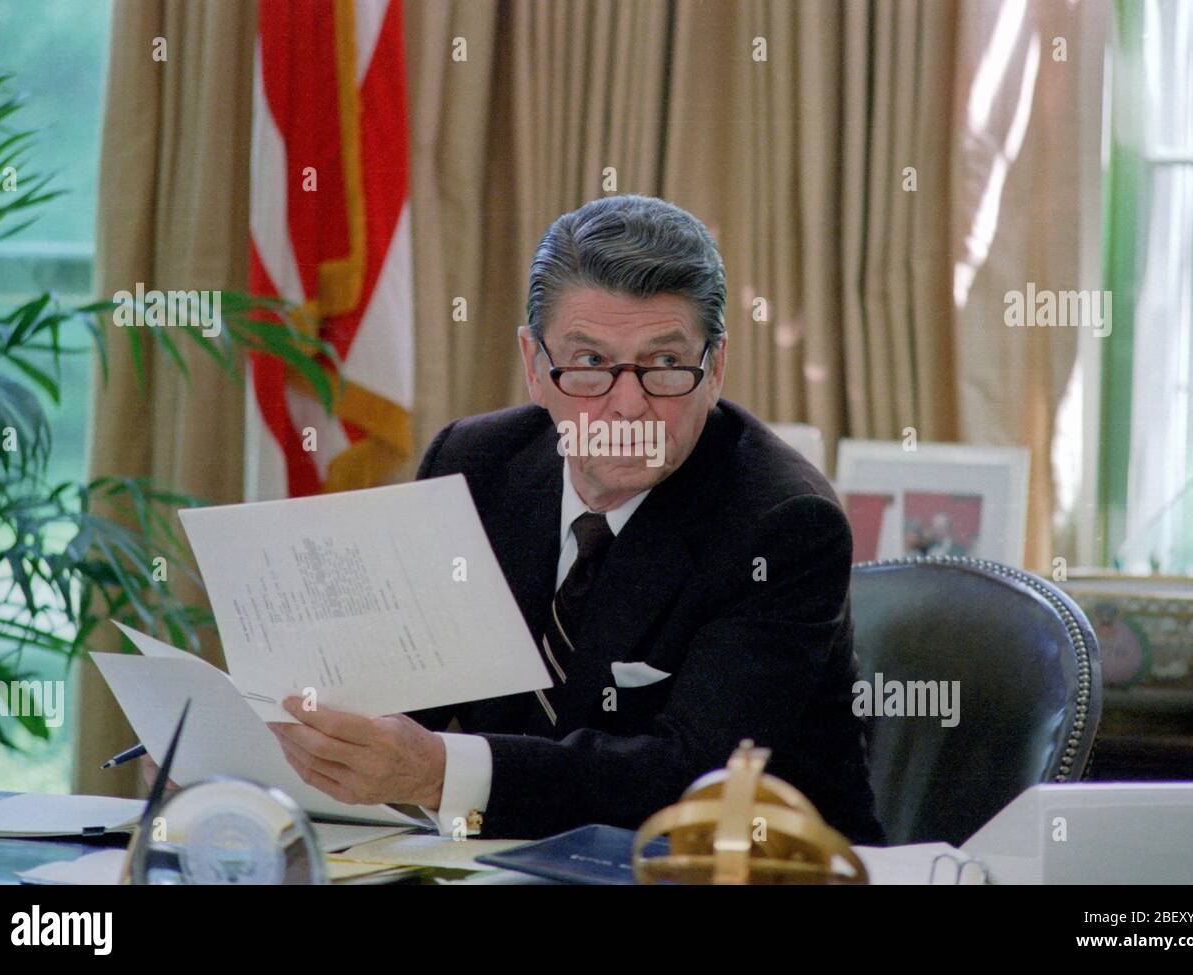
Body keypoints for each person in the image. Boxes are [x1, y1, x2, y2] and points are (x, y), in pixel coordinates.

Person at [147, 195, 885, 845]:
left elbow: (689, 776)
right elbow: (398, 694)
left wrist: (440, 771)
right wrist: (243, 752)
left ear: (715, 367)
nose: (627, 404)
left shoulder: (783, 522)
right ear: (534, 365)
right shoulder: (477, 464)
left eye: (664, 364)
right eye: (589, 362)